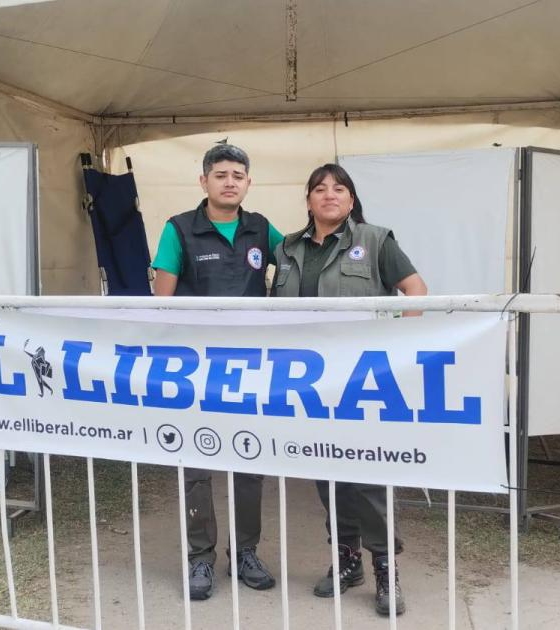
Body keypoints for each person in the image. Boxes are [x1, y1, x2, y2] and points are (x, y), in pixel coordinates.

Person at [271, 163, 428, 616]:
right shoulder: (287, 248)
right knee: (327, 472)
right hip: (309, 383)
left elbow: (417, 292)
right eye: (319, 188)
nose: (329, 195)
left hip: (362, 382)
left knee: (368, 476)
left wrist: (395, 349)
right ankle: (346, 561)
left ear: (351, 199)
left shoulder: (376, 240)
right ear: (308, 200)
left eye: (339, 188)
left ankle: (385, 569)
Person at [151, 142, 286, 601]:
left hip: (250, 366)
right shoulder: (178, 229)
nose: (230, 182)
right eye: (221, 174)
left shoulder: (261, 228)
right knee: (197, 463)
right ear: (204, 180)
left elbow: (300, 264)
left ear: (248, 183)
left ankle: (246, 552)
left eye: (238, 175)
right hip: (194, 367)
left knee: (249, 460)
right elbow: (161, 302)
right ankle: (200, 558)